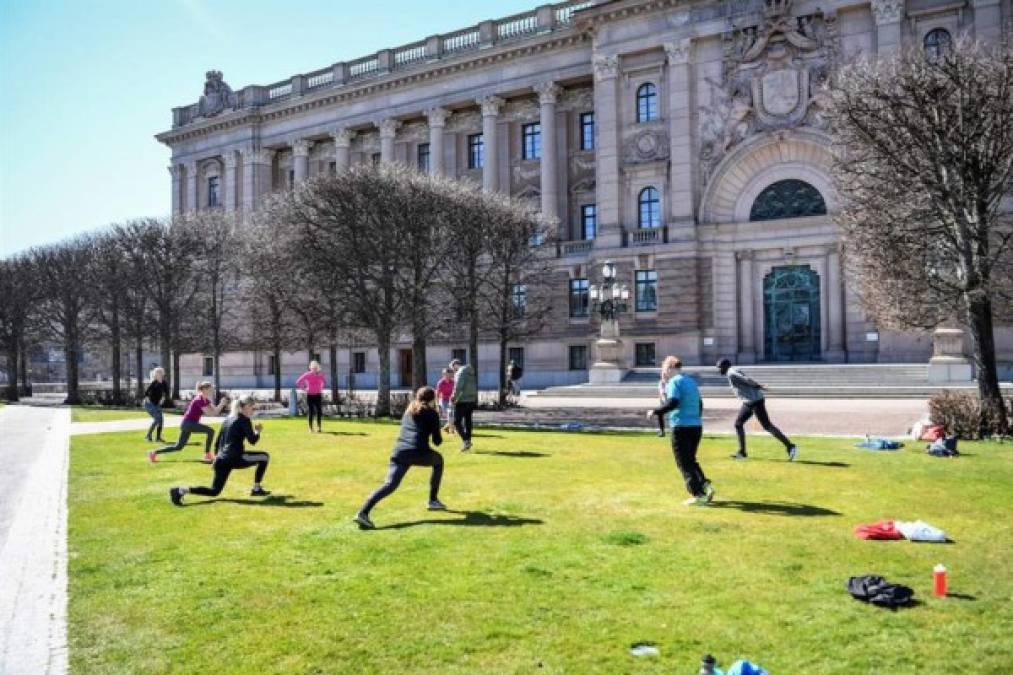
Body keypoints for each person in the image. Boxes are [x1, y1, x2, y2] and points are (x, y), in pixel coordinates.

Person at [353, 386, 447, 529]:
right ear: (432, 399)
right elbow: (437, 441)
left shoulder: (409, 409)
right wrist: (438, 423)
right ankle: (433, 500)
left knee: (389, 485)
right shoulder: (432, 413)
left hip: (399, 451)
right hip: (418, 451)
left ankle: (363, 512)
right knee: (439, 461)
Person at [169, 395, 271, 505]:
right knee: (264, 457)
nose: (253, 409)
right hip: (235, 458)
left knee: (214, 491)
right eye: (251, 407)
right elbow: (252, 440)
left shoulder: (228, 419)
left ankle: (181, 490)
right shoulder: (244, 420)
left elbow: (218, 442)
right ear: (244, 407)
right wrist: (258, 431)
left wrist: (217, 457)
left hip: (222, 459)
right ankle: (256, 489)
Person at [647, 356, 714, 506]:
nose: (663, 372)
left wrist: (656, 411)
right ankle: (706, 486)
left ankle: (698, 495)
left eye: (664, 368)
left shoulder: (674, 382)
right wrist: (695, 417)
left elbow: (673, 402)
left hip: (681, 426)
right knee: (691, 460)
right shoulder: (690, 381)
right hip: (696, 426)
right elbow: (700, 403)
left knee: (683, 463)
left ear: (670, 367)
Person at [716, 359, 798, 461]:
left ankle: (790, 446)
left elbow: (746, 379)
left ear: (725, 366)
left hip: (755, 401)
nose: (719, 370)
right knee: (738, 424)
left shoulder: (731, 373)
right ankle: (742, 452)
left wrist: (759, 386)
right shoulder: (731, 372)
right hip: (749, 402)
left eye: (720, 368)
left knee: (767, 426)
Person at [149, 381, 228, 463]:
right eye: (211, 389)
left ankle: (154, 452)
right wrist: (221, 404)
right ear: (204, 389)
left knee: (178, 447)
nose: (212, 391)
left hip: (188, 424)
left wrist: (221, 404)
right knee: (211, 431)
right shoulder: (199, 399)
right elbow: (210, 413)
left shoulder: (205, 400)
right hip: (189, 423)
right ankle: (207, 454)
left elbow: (215, 412)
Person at [450, 358, 477, 451]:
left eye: (453, 368)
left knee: (456, 422)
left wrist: (453, 397)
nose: (453, 371)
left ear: (455, 365)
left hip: (462, 400)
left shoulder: (460, 372)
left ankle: (466, 441)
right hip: (471, 400)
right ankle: (468, 441)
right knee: (468, 422)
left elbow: (458, 386)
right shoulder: (470, 372)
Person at [296, 360, 326, 433]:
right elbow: (298, 382)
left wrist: (321, 388)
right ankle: (310, 428)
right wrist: (304, 389)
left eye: (315, 367)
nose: (314, 369)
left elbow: (324, 382)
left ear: (318, 368)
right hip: (310, 395)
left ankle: (319, 427)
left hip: (318, 395)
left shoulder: (320, 375)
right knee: (311, 412)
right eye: (313, 367)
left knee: (319, 411)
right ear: (310, 368)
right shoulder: (307, 374)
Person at [143, 367, 170, 443]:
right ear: (155, 374)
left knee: (161, 421)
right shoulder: (154, 382)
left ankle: (158, 438)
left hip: (156, 404)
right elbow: (146, 393)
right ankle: (148, 435)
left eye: (160, 373)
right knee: (157, 419)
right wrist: (147, 398)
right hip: (149, 404)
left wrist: (163, 398)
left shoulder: (164, 383)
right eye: (157, 373)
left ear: (162, 374)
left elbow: (167, 393)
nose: (159, 374)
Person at [435, 368, 455, 434]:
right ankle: (451, 431)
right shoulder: (440, 383)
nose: (448, 376)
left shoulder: (453, 382)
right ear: (443, 375)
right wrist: (437, 405)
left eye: (449, 374)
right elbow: (437, 395)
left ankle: (445, 428)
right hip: (444, 400)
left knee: (453, 415)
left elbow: (456, 391)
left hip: (452, 400)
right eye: (446, 374)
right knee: (450, 414)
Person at [655, 367, 671, 437]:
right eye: (662, 375)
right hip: (664, 402)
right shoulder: (661, 383)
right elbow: (661, 393)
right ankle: (662, 431)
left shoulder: (671, 383)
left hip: (671, 402)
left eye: (664, 375)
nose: (663, 376)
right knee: (660, 413)